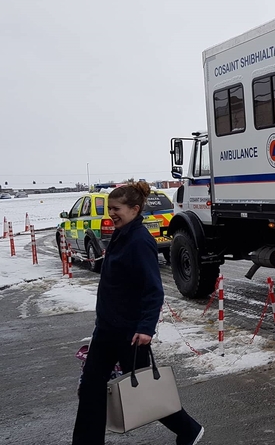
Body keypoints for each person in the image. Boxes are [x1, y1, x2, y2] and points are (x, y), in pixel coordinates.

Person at [73, 182, 204, 445]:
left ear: (134, 209)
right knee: (90, 388)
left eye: (116, 208)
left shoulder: (140, 240)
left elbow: (153, 290)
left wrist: (145, 328)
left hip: (130, 332)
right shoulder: (121, 234)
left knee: (145, 389)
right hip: (108, 328)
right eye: (110, 208)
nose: (111, 213)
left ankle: (189, 429)